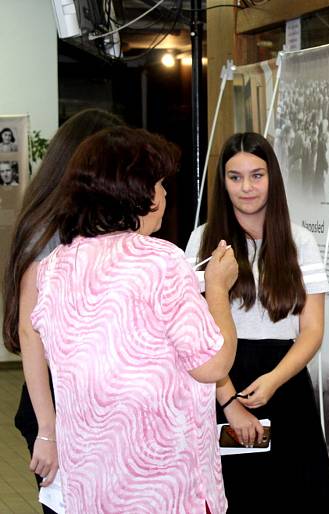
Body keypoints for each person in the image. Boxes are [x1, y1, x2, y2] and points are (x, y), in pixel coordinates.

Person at [29, 126, 239, 513]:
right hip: (167, 487)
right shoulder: (161, 261)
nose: (163, 194)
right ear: (136, 192)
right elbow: (214, 364)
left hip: (92, 484)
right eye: (158, 183)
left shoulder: (54, 268)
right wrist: (218, 290)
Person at [185, 132, 329, 513]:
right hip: (223, 383)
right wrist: (230, 403)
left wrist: (273, 380)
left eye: (257, 175)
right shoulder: (203, 241)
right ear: (222, 183)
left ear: (272, 178)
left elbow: (313, 330)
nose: (247, 187)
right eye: (235, 177)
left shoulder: (299, 242)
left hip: (285, 383)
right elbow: (193, 336)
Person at [2, 109, 123, 514]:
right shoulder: (49, 231)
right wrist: (49, 431)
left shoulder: (87, 222)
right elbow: (31, 332)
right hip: (53, 399)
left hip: (81, 395)